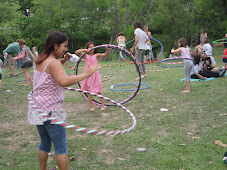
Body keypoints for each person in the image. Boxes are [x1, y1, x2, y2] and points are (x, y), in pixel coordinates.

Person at [28, 31, 101, 170]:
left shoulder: (41, 59)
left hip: (37, 109)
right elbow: (62, 81)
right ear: (56, 46)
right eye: (65, 46)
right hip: (51, 111)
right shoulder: (53, 63)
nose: (66, 49)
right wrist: (86, 74)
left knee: (45, 142)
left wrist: (64, 61)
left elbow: (50, 72)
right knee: (61, 145)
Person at [75, 41, 109, 111]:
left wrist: (107, 50)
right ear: (87, 48)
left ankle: (103, 106)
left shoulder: (96, 56)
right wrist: (85, 50)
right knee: (89, 92)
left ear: (95, 48)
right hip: (88, 75)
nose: (91, 49)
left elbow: (104, 54)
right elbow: (76, 52)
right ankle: (91, 107)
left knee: (99, 91)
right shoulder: (85, 56)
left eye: (92, 47)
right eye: (89, 47)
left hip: (95, 75)